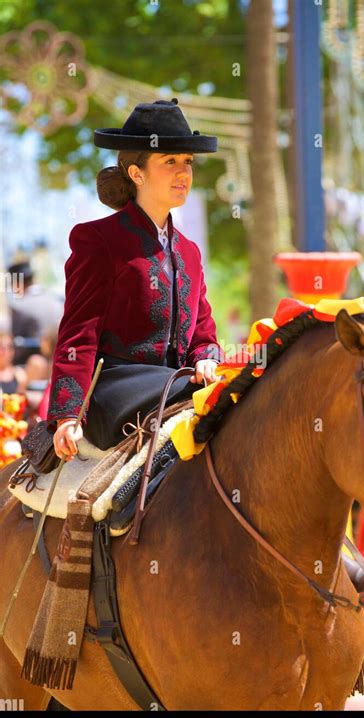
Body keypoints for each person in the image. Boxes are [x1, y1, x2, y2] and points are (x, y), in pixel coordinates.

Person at [48, 98, 225, 460]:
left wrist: (207, 357)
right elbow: (78, 334)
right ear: (136, 173)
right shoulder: (97, 240)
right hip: (115, 393)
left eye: (188, 162)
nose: (184, 173)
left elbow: (203, 333)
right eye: (170, 161)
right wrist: (67, 415)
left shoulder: (189, 252)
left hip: (176, 387)